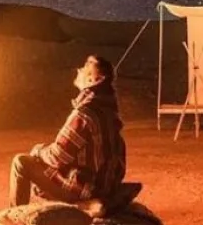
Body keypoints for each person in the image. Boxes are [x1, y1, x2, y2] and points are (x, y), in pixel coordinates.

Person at [8, 54, 127, 207]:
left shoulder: (85, 114)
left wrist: (38, 150)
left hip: (84, 190)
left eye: (85, 69)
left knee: (21, 163)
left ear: (95, 80)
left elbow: (58, 156)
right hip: (105, 187)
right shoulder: (111, 112)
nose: (79, 70)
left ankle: (16, 216)